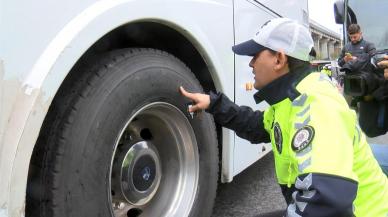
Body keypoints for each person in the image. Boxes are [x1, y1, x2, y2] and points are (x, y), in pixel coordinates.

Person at [180, 18, 388, 217]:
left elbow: (326, 202)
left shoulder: (317, 103)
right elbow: (258, 125)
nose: (251, 64)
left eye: (255, 55)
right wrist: (214, 104)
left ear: (279, 59)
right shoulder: (290, 99)